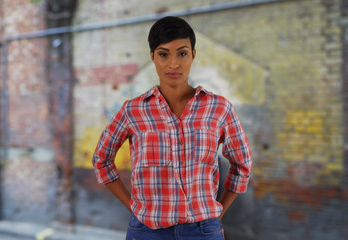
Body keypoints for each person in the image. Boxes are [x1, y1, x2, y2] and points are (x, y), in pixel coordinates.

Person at [92, 16, 252, 240]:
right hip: (146, 233)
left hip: (203, 231)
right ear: (153, 57)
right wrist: (134, 209)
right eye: (164, 54)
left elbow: (242, 165)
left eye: (182, 53)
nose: (173, 64)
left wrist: (215, 216)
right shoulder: (133, 110)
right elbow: (102, 159)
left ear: (193, 55)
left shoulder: (219, 108)